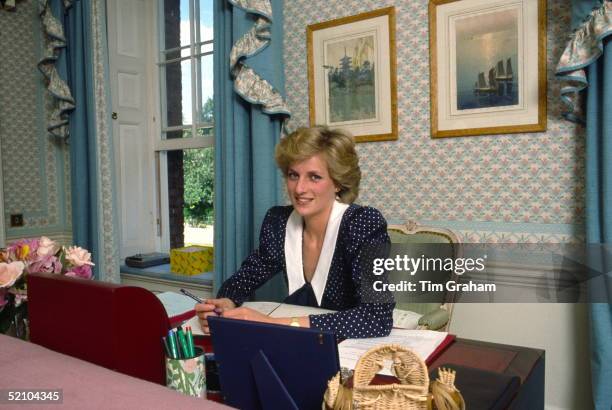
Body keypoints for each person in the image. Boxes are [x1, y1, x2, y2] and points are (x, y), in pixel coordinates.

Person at [195, 126, 394, 338]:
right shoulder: (278, 222)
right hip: (300, 344)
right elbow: (242, 280)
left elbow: (377, 317)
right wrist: (225, 303)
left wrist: (273, 324)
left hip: (351, 347)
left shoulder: (363, 223)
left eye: (314, 177)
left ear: (337, 182)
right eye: (293, 175)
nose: (299, 189)